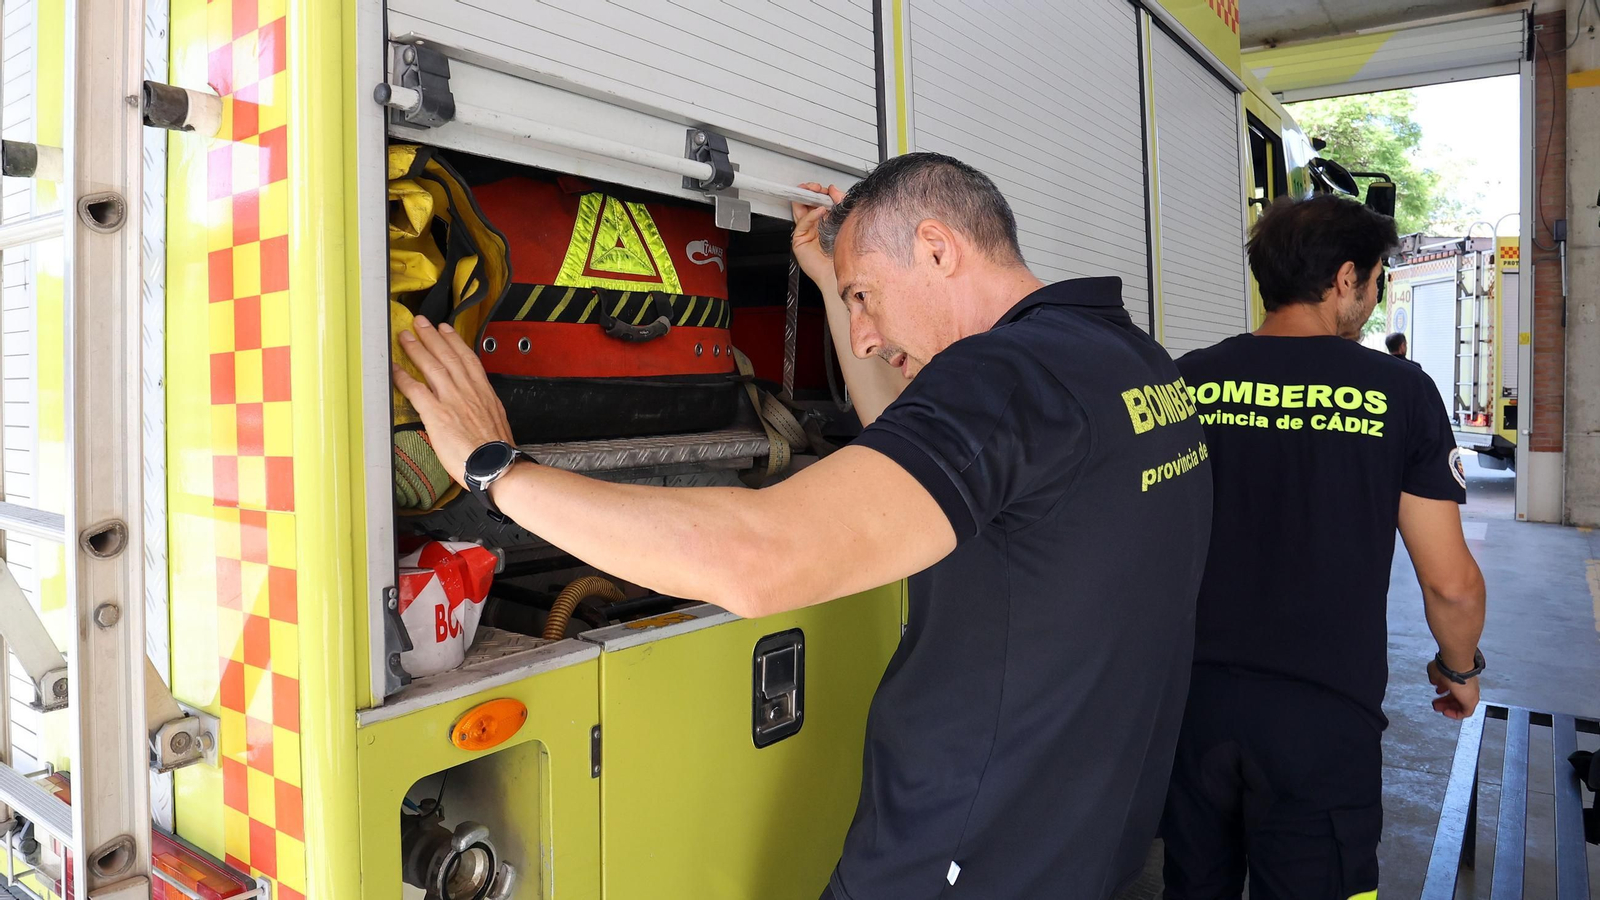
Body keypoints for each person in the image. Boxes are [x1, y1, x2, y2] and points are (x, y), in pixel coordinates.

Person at [393, 152, 1214, 899]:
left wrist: (495, 469)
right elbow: (922, 455)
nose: (859, 333)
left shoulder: (1003, 377)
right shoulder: (1125, 361)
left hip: (962, 860)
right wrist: (830, 280)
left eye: (865, 296)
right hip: (1087, 844)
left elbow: (760, 558)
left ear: (936, 247)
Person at [1161, 195, 1487, 900]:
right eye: (1375, 281)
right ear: (1346, 279)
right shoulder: (1399, 391)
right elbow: (1451, 584)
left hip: (1190, 708)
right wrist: (1459, 668)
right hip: (1322, 720)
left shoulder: (1184, 381)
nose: (1372, 298)